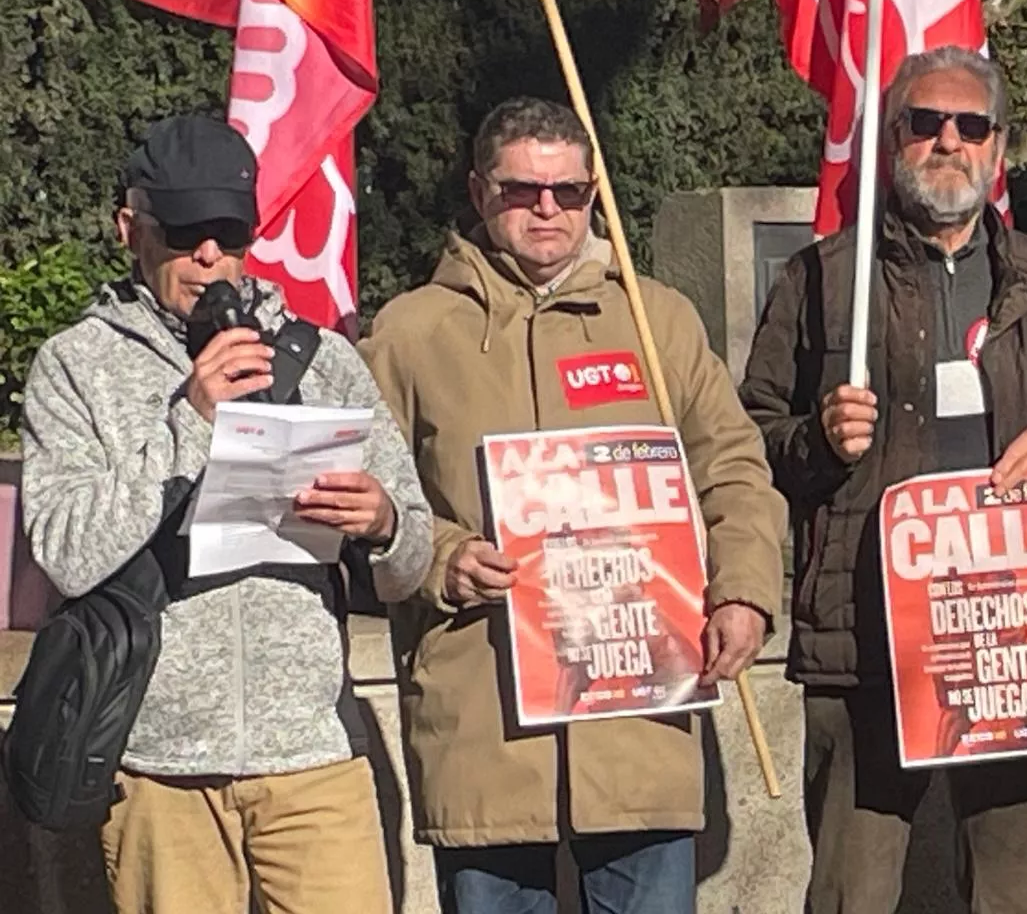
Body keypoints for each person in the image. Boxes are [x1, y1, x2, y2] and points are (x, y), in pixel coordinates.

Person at [359, 97, 785, 914]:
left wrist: (744, 591)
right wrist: (442, 556)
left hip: (640, 729)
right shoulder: (409, 333)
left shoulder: (658, 320)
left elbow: (733, 467)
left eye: (569, 191)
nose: (547, 209)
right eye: (522, 190)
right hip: (484, 725)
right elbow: (369, 501)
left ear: (595, 195)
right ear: (480, 192)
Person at [740, 46, 1027, 914]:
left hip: (1016, 638)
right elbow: (750, 438)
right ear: (893, 142)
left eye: (971, 126)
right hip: (865, 635)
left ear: (999, 150)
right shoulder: (822, 282)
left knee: (1015, 891)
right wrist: (816, 439)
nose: (948, 142)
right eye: (926, 123)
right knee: (854, 890)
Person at [19, 115, 432, 914]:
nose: (209, 256)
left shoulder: (324, 359)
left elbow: (413, 556)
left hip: (312, 754)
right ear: (129, 228)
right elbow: (67, 551)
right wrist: (191, 422)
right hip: (155, 766)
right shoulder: (76, 366)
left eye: (229, 233)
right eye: (184, 231)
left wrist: (380, 520)